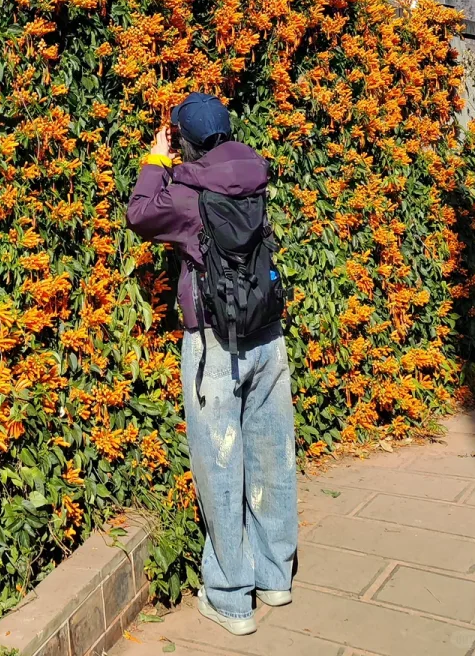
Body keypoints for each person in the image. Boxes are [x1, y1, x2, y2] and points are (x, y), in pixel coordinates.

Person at [127, 92, 298, 638]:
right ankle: (276, 576)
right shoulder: (254, 175)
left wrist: (155, 160)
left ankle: (230, 598)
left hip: (215, 343)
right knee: (272, 453)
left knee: (220, 464)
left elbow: (139, 215)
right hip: (267, 334)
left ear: (185, 141)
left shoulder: (187, 194)